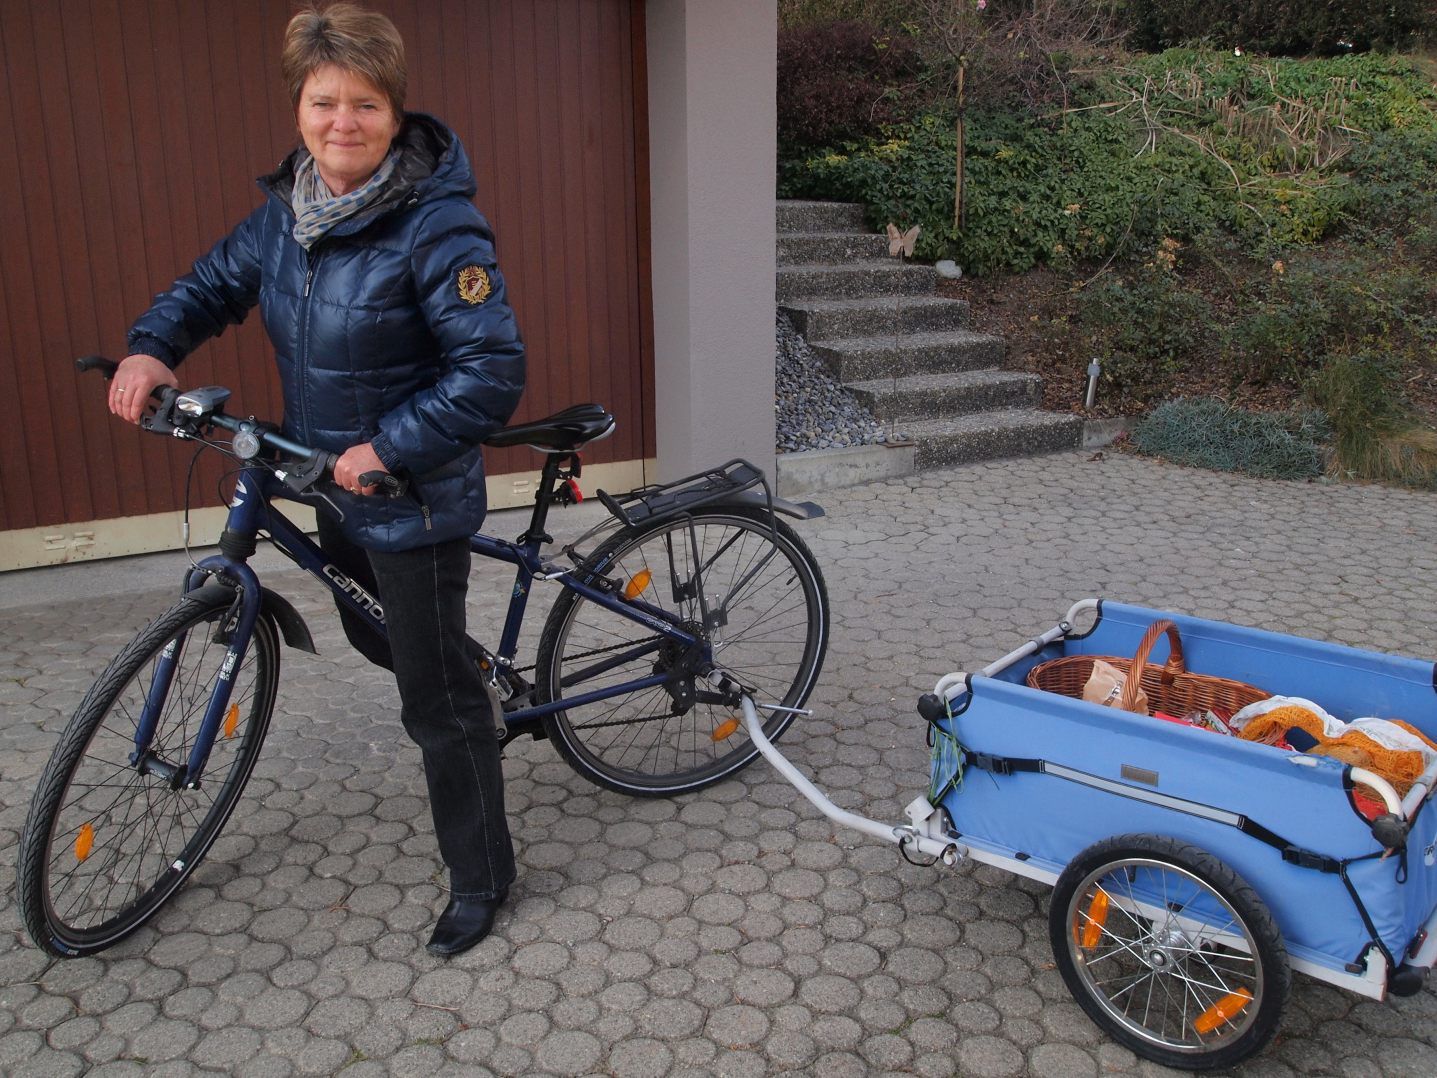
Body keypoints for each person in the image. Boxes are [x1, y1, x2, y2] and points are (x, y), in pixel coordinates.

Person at [107, 2, 524, 958]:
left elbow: (490, 370)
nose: (343, 122)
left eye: (365, 105)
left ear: (394, 113)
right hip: (326, 484)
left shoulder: (435, 224)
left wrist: (389, 447)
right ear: (299, 105)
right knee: (391, 647)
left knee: (434, 700)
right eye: (324, 101)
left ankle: (483, 876)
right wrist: (149, 350)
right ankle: (461, 683)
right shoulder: (287, 214)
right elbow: (210, 285)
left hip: (407, 497)